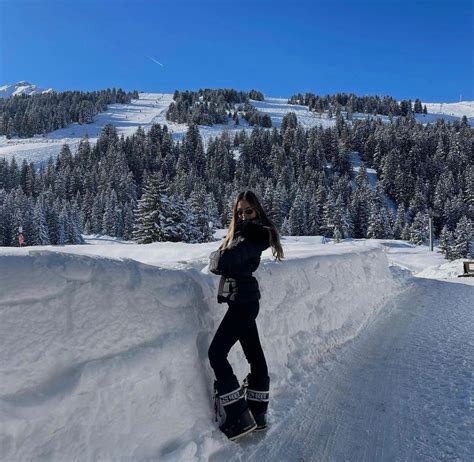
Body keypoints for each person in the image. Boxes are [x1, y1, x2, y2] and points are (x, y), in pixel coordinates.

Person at [208, 190, 284, 441]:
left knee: (216, 353)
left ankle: (238, 416)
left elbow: (221, 262)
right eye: (239, 212)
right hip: (245, 302)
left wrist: (217, 255)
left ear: (258, 211)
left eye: (248, 211)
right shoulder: (248, 235)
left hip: (243, 304)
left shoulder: (254, 235)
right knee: (254, 355)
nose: (243, 216)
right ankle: (258, 414)